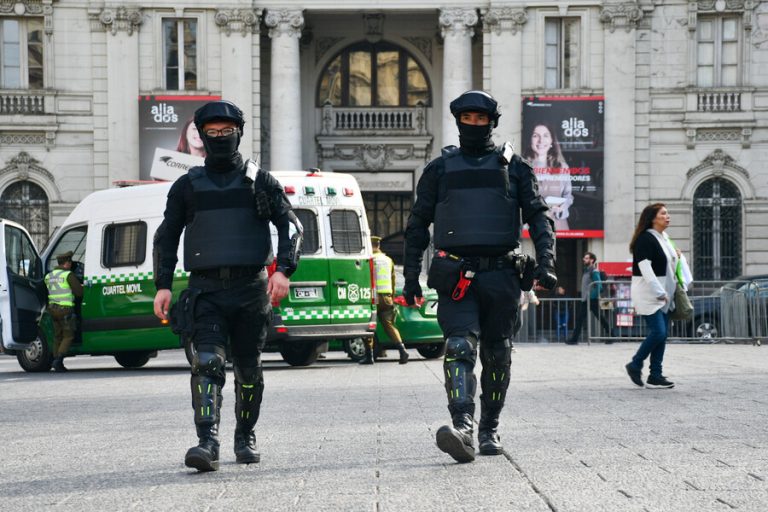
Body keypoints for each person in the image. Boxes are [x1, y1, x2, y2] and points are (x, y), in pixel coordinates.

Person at [402, 90, 557, 463]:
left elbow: (539, 215)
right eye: (467, 119)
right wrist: (410, 277)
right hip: (457, 274)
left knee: (497, 353)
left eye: (480, 119)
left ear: (492, 122)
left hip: (502, 274)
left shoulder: (514, 167)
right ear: (458, 122)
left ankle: (489, 428)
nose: (473, 125)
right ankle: (463, 427)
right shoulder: (439, 169)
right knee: (458, 347)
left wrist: (547, 261)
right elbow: (418, 224)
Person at [153, 100, 300, 472]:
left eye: (227, 131)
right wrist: (163, 285)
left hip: (251, 290)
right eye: (213, 133)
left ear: (239, 133)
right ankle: (207, 441)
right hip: (205, 290)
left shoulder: (261, 182)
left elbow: (292, 226)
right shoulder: (186, 187)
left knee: (249, 371)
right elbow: (167, 236)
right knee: (207, 363)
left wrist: (283, 271)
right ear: (202, 137)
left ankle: (244, 436)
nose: (220, 138)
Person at [624, 203, 678, 389]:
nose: (668, 216)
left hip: (665, 293)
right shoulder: (645, 239)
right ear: (653, 217)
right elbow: (645, 268)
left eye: (667, 213)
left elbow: (670, 263)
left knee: (662, 335)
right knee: (658, 332)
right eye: (663, 213)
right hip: (649, 293)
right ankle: (635, 364)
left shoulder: (664, 237)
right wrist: (659, 291)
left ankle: (655, 375)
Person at [361, 236, 409, 365]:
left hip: (372, 298)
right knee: (389, 326)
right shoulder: (388, 260)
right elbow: (393, 281)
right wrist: (391, 298)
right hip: (386, 298)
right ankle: (402, 351)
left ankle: (369, 356)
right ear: (379, 245)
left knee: (368, 325)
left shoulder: (368, 260)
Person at [522, 123, 573, 231]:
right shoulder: (522, 167)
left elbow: (568, 196)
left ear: (551, 141)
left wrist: (562, 208)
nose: (541, 140)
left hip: (558, 225)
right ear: (530, 140)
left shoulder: (562, 167)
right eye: (536, 135)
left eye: (545, 135)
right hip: (531, 226)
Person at [45, 251, 83, 372]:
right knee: (68, 336)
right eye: (70, 262)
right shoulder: (68, 275)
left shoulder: (48, 276)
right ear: (67, 263)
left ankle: (56, 362)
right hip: (65, 310)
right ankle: (58, 360)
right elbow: (79, 293)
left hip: (52, 309)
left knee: (58, 336)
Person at [567, 252, 616, 344]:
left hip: (590, 300)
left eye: (586, 258)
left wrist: (590, 296)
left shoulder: (594, 271)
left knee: (582, 319)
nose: (583, 259)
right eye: (584, 258)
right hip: (587, 300)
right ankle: (612, 335)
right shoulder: (587, 271)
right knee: (598, 318)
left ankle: (574, 339)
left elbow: (599, 286)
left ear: (591, 260)